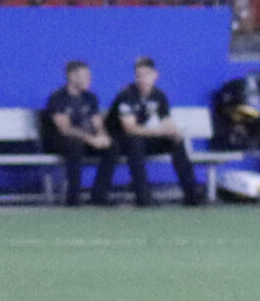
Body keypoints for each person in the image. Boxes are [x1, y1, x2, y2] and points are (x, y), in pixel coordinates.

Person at [99, 57, 204, 208]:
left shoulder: (159, 96)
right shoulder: (126, 95)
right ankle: (143, 198)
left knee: (176, 143)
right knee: (135, 144)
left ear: (155, 75)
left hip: (142, 137)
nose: (142, 79)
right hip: (119, 141)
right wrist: (159, 131)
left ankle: (192, 196)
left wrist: (172, 131)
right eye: (138, 75)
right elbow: (130, 128)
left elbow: (165, 119)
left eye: (146, 74)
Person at [42, 60, 116, 207]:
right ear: (72, 76)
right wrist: (90, 139)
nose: (89, 79)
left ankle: (99, 195)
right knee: (74, 146)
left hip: (86, 140)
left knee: (112, 147)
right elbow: (65, 129)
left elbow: (97, 122)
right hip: (61, 140)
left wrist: (103, 136)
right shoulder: (58, 98)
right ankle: (73, 198)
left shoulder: (90, 97)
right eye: (85, 75)